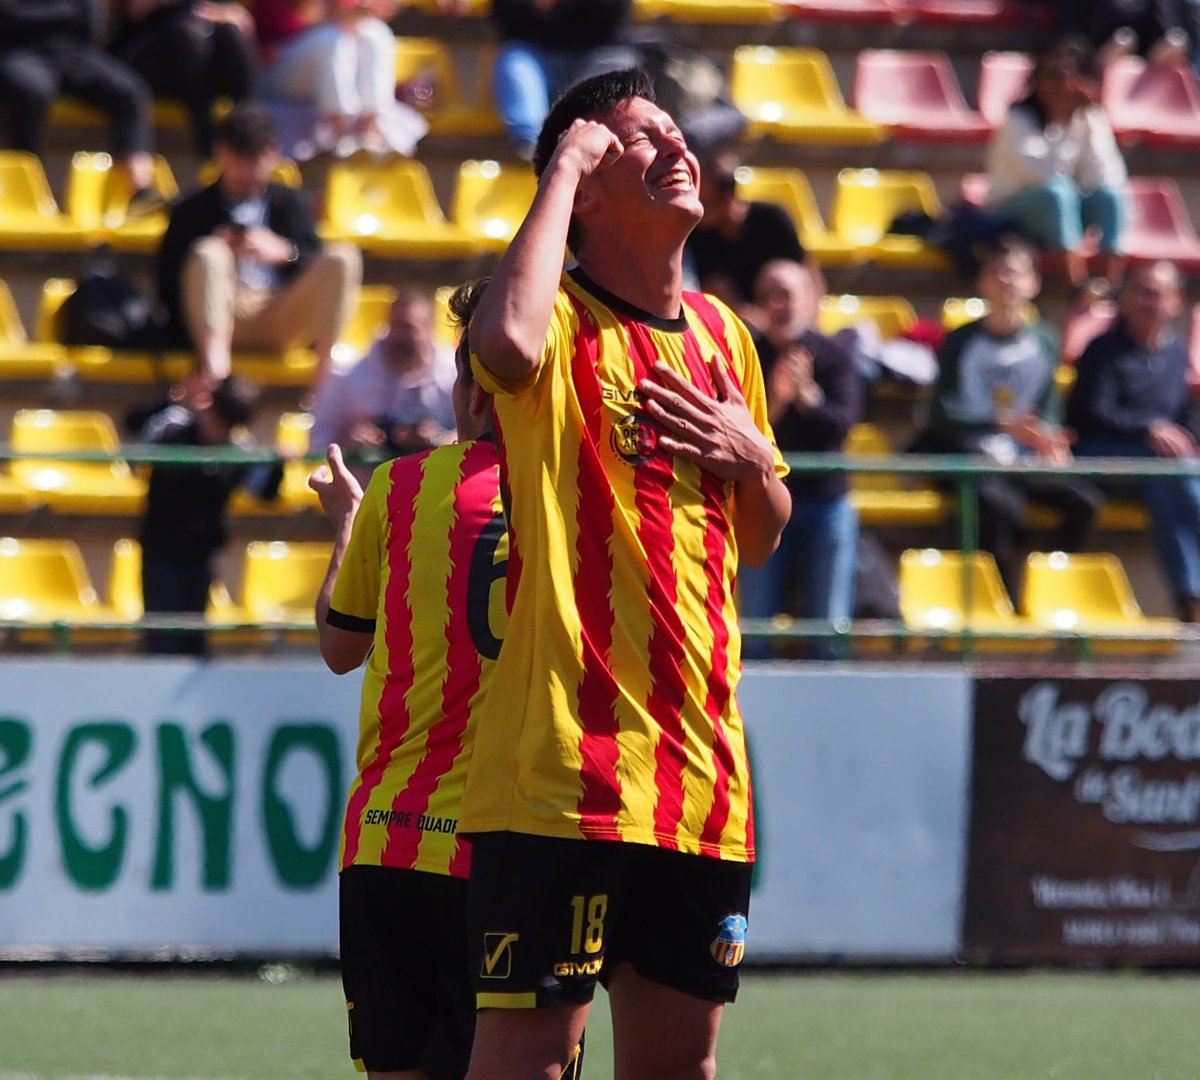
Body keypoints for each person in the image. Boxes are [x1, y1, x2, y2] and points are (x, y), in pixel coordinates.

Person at [459, 67, 791, 1079]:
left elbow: (761, 535)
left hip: (699, 774)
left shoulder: (727, 337)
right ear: (591, 180)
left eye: (677, 131)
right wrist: (562, 167)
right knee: (529, 1063)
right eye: (641, 138)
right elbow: (501, 347)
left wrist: (753, 460)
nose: (677, 147)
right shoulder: (555, 316)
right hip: (565, 771)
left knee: (679, 1069)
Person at [309, 280, 550, 1080]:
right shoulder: (571, 497)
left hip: (385, 843)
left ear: (468, 392)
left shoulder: (399, 486)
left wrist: (346, 526)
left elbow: (339, 647)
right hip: (509, 853)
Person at [917, 234, 1101, 598]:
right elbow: (941, 412)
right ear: (982, 281)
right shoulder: (961, 341)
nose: (1006, 280)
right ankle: (1001, 598)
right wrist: (999, 424)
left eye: (1015, 272)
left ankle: (1047, 589)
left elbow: (1047, 404)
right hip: (970, 453)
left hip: (1021, 456)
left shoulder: (1045, 340)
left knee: (1085, 502)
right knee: (999, 505)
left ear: (1033, 283)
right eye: (997, 271)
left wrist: (1048, 438)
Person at [156, 102, 362, 390]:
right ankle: (217, 383)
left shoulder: (291, 202)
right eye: (238, 158)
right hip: (221, 315)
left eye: (254, 159)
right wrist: (221, 254)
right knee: (209, 253)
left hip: (282, 313)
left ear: (272, 154)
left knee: (343, 256)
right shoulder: (192, 210)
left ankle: (327, 387)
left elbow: (316, 260)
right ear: (220, 153)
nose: (246, 171)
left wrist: (285, 253)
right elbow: (167, 284)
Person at [737, 258, 862, 661]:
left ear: (809, 300)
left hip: (825, 505)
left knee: (828, 631)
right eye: (767, 296)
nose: (778, 305)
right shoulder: (746, 354)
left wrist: (808, 398)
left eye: (786, 294)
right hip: (761, 506)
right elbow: (735, 433)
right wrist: (775, 401)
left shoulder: (835, 356)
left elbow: (842, 425)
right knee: (754, 631)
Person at [1067, 259, 1200, 621]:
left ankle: (1190, 602)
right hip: (1099, 456)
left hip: (1156, 471)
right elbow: (1091, 413)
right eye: (1139, 292)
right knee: (1173, 474)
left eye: (1155, 294)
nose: (1146, 301)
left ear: (1176, 301)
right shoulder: (1102, 350)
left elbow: (1182, 417)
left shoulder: (1174, 354)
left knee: (1165, 492)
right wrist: (1147, 428)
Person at [131, 375, 283, 656]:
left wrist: (278, 464)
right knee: (163, 643)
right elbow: (132, 434)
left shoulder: (235, 450)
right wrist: (167, 400)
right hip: (161, 554)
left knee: (194, 643)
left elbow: (265, 492)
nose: (217, 429)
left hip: (200, 558)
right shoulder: (171, 429)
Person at [985, 36, 1128, 297]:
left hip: (1066, 210)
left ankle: (1108, 287)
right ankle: (1075, 289)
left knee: (1110, 196)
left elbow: (1106, 176)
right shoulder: (1017, 119)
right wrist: (1061, 116)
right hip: (1012, 216)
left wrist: (1089, 120)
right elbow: (1043, 175)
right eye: (1049, 75)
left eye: (1065, 76)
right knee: (1058, 193)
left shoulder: (1088, 116)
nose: (1058, 85)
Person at [0, 0, 163, 209]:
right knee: (29, 91)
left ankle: (139, 187)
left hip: (71, 51)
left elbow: (90, 18)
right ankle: (26, 190)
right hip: (18, 50)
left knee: (131, 91)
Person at [255, 0, 427, 161]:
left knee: (374, 31)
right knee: (331, 39)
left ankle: (370, 134)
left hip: (325, 68)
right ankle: (342, 135)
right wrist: (338, 19)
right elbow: (286, 29)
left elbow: (348, 15)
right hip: (275, 74)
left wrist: (362, 13)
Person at [309, 289, 457, 469]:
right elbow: (318, 441)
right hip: (368, 482)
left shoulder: (455, 374)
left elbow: (478, 437)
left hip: (439, 479)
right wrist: (349, 442)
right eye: (395, 326)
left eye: (409, 328)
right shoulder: (346, 376)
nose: (400, 337)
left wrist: (439, 439)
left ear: (430, 329)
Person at [490, 0, 638, 160]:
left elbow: (613, 17)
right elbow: (505, 18)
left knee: (619, 66)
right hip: (539, 54)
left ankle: (594, 148)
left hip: (599, 54)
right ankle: (532, 149)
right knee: (515, 60)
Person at [684, 146, 814, 327]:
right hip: (743, 328)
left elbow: (806, 273)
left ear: (728, 198)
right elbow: (719, 294)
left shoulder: (772, 219)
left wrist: (810, 326)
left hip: (789, 321)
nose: (697, 208)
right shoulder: (700, 235)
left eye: (705, 202)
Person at [108, 0, 257, 158]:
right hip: (147, 52)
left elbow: (239, 15)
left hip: (202, 44)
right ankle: (211, 149)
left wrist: (220, 12)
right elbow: (136, 9)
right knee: (187, 39)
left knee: (231, 34)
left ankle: (249, 138)